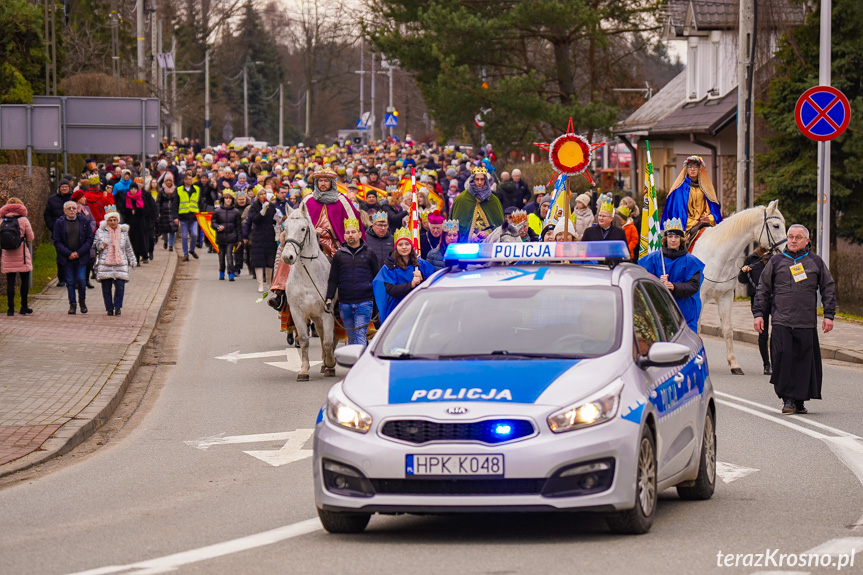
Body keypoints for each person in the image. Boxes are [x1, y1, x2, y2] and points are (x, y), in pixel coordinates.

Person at [753, 224, 835, 415]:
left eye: (798, 237)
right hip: (781, 321)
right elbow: (763, 290)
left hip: (805, 322)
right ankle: (787, 399)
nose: (793, 240)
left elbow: (828, 287)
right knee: (782, 360)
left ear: (806, 241)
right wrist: (758, 314)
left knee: (803, 363)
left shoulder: (815, 262)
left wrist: (829, 315)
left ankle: (799, 400)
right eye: (790, 237)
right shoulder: (776, 261)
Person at [638, 218, 705, 332]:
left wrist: (674, 287)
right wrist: (657, 281)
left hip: (684, 311)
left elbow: (693, 286)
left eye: (676, 237)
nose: (673, 240)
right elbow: (641, 282)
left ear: (681, 239)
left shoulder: (691, 261)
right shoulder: (653, 259)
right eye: (670, 237)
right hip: (659, 310)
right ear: (665, 239)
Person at [325, 217, 379, 346]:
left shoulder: (369, 253)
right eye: (348, 232)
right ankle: (353, 365)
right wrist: (328, 298)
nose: (350, 235)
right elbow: (333, 279)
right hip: (345, 303)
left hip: (364, 301)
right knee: (351, 337)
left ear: (360, 234)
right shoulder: (339, 255)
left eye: (353, 232)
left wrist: (377, 301)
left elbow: (376, 277)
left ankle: (360, 364)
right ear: (344, 236)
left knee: (360, 333)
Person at [373, 228, 436, 324]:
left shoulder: (420, 264)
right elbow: (391, 290)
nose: (404, 247)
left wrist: (422, 279)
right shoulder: (389, 267)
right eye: (400, 244)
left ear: (411, 246)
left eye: (407, 244)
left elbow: (432, 283)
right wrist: (411, 284)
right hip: (397, 308)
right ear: (396, 247)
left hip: (416, 307)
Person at [301, 169, 365, 258]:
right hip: (311, 240)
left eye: (326, 181)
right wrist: (312, 231)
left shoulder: (342, 200)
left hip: (335, 243)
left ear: (331, 183)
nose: (323, 184)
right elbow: (299, 222)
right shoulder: (308, 200)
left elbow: (354, 222)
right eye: (320, 181)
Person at [662, 155, 723, 237]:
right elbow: (676, 212)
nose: (693, 169)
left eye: (696, 166)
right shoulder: (680, 189)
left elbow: (713, 209)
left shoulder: (706, 189)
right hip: (686, 227)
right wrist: (691, 222)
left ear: (700, 169)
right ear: (686, 169)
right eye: (690, 166)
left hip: (704, 224)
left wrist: (710, 218)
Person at [53, 201, 95, 315]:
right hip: (67, 258)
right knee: (70, 282)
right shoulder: (59, 223)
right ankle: (72, 304)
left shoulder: (84, 221)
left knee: (81, 280)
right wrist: (68, 253)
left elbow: (89, 239)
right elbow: (57, 241)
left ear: (77, 209)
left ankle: (82, 301)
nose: (71, 210)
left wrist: (78, 253)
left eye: (73, 208)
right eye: (69, 208)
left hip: (81, 257)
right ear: (64, 211)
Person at [93, 210, 137, 316]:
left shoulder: (123, 232)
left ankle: (118, 307)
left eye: (114, 220)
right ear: (107, 221)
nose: (112, 222)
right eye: (110, 220)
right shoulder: (101, 231)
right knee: (106, 287)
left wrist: (132, 260)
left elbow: (128, 247)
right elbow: (94, 245)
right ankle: (109, 308)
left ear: (118, 221)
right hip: (105, 263)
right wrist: (101, 245)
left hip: (120, 263)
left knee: (120, 286)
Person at [738, 246, 772, 375]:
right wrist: (744, 272)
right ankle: (766, 364)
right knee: (763, 333)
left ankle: (776, 362)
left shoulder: (777, 257)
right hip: (759, 300)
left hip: (776, 299)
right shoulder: (752, 259)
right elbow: (742, 280)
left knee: (778, 332)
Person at [450, 167, 504, 243]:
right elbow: (456, 226)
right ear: (472, 180)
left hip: (490, 243)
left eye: (482, 179)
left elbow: (499, 225)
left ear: (486, 181)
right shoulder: (461, 199)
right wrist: (471, 235)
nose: (479, 182)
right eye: (477, 179)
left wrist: (488, 232)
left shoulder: (493, 200)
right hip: (466, 244)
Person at [1, 198, 35, 316]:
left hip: (7, 255)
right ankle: (23, 307)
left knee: (10, 282)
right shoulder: (23, 220)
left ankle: (10, 310)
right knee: (24, 282)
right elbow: (30, 237)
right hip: (22, 256)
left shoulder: (1, 220)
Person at [243, 185, 278, 292]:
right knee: (258, 260)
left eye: (264, 194)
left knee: (270, 260)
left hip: (269, 235)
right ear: (257, 196)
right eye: (261, 194)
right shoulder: (254, 207)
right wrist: (261, 213)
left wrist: (277, 218)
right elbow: (254, 220)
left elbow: (273, 219)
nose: (263, 196)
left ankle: (268, 283)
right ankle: (260, 284)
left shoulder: (271, 206)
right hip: (258, 235)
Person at [44, 179, 73, 286]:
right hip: (58, 232)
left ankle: (72, 277)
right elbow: (47, 215)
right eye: (62, 187)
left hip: (73, 232)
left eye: (66, 186)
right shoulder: (52, 199)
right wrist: (53, 227)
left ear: (69, 188)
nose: (64, 188)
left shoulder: (73, 198)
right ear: (59, 188)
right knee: (61, 256)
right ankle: (61, 278)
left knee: (72, 255)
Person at [212, 191, 242, 281]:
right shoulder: (217, 211)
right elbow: (213, 223)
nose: (228, 200)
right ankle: (221, 271)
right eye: (226, 198)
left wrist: (239, 239)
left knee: (229, 255)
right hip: (221, 237)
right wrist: (218, 227)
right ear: (223, 200)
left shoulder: (236, 212)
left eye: (230, 198)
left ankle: (231, 273)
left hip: (231, 236)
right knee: (221, 256)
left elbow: (238, 226)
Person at [119, 182, 151, 265]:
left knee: (139, 240)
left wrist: (137, 211)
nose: (133, 191)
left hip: (140, 222)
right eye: (132, 189)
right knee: (130, 240)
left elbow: (146, 210)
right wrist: (129, 211)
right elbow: (122, 210)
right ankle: (131, 258)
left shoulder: (141, 197)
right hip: (130, 222)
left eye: (135, 189)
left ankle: (138, 257)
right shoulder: (126, 198)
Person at [172, 172, 201, 262]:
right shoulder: (179, 189)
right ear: (184, 180)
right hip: (183, 216)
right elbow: (175, 204)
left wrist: (201, 213)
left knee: (194, 234)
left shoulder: (197, 189)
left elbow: (200, 202)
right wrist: (175, 217)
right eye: (189, 178)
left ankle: (192, 249)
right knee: (184, 236)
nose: (191, 180)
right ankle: (185, 254)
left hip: (194, 216)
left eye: (191, 178)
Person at [157, 176, 178, 251]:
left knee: (173, 229)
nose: (168, 182)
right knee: (164, 229)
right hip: (164, 212)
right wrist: (158, 211)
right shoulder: (161, 190)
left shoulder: (176, 190)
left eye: (170, 180)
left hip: (173, 211)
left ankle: (171, 245)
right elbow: (158, 202)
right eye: (167, 180)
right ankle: (166, 241)